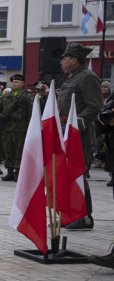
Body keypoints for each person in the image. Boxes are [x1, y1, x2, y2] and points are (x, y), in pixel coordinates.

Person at [59, 43, 103, 230]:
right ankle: (73, 214)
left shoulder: (87, 78)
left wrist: (76, 125)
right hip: (69, 134)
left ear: (74, 60)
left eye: (65, 58)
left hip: (81, 136)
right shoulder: (70, 79)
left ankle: (85, 217)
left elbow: (94, 106)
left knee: (78, 176)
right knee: (69, 177)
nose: (61, 62)